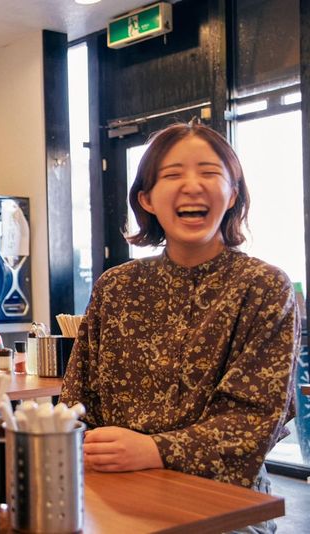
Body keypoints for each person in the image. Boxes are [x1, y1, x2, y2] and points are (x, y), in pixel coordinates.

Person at [61, 122, 298, 495]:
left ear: (233, 194)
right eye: (172, 174)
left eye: (209, 172)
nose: (192, 185)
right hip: (114, 486)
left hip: (221, 498)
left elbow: (255, 419)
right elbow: (76, 404)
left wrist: (155, 449)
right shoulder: (116, 286)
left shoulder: (263, 286)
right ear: (147, 199)